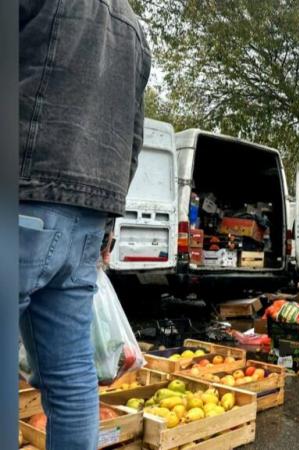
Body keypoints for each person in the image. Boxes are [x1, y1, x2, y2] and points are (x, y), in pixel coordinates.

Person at [19, 1, 150, 448]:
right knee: (72, 373)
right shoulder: (133, 28)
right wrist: (107, 227)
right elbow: (134, 137)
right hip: (88, 218)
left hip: (25, 189)